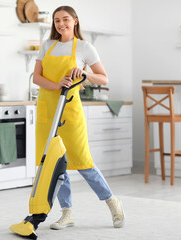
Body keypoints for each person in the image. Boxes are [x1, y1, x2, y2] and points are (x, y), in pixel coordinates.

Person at [33, 5, 125, 230]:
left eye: (65, 19)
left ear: (75, 21)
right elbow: (36, 77)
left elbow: (104, 79)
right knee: (56, 165)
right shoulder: (47, 45)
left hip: (70, 110)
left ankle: (112, 202)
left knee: (83, 163)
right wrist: (56, 85)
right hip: (47, 109)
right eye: (56, 20)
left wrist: (85, 74)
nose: (61, 23)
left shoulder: (85, 47)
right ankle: (67, 213)